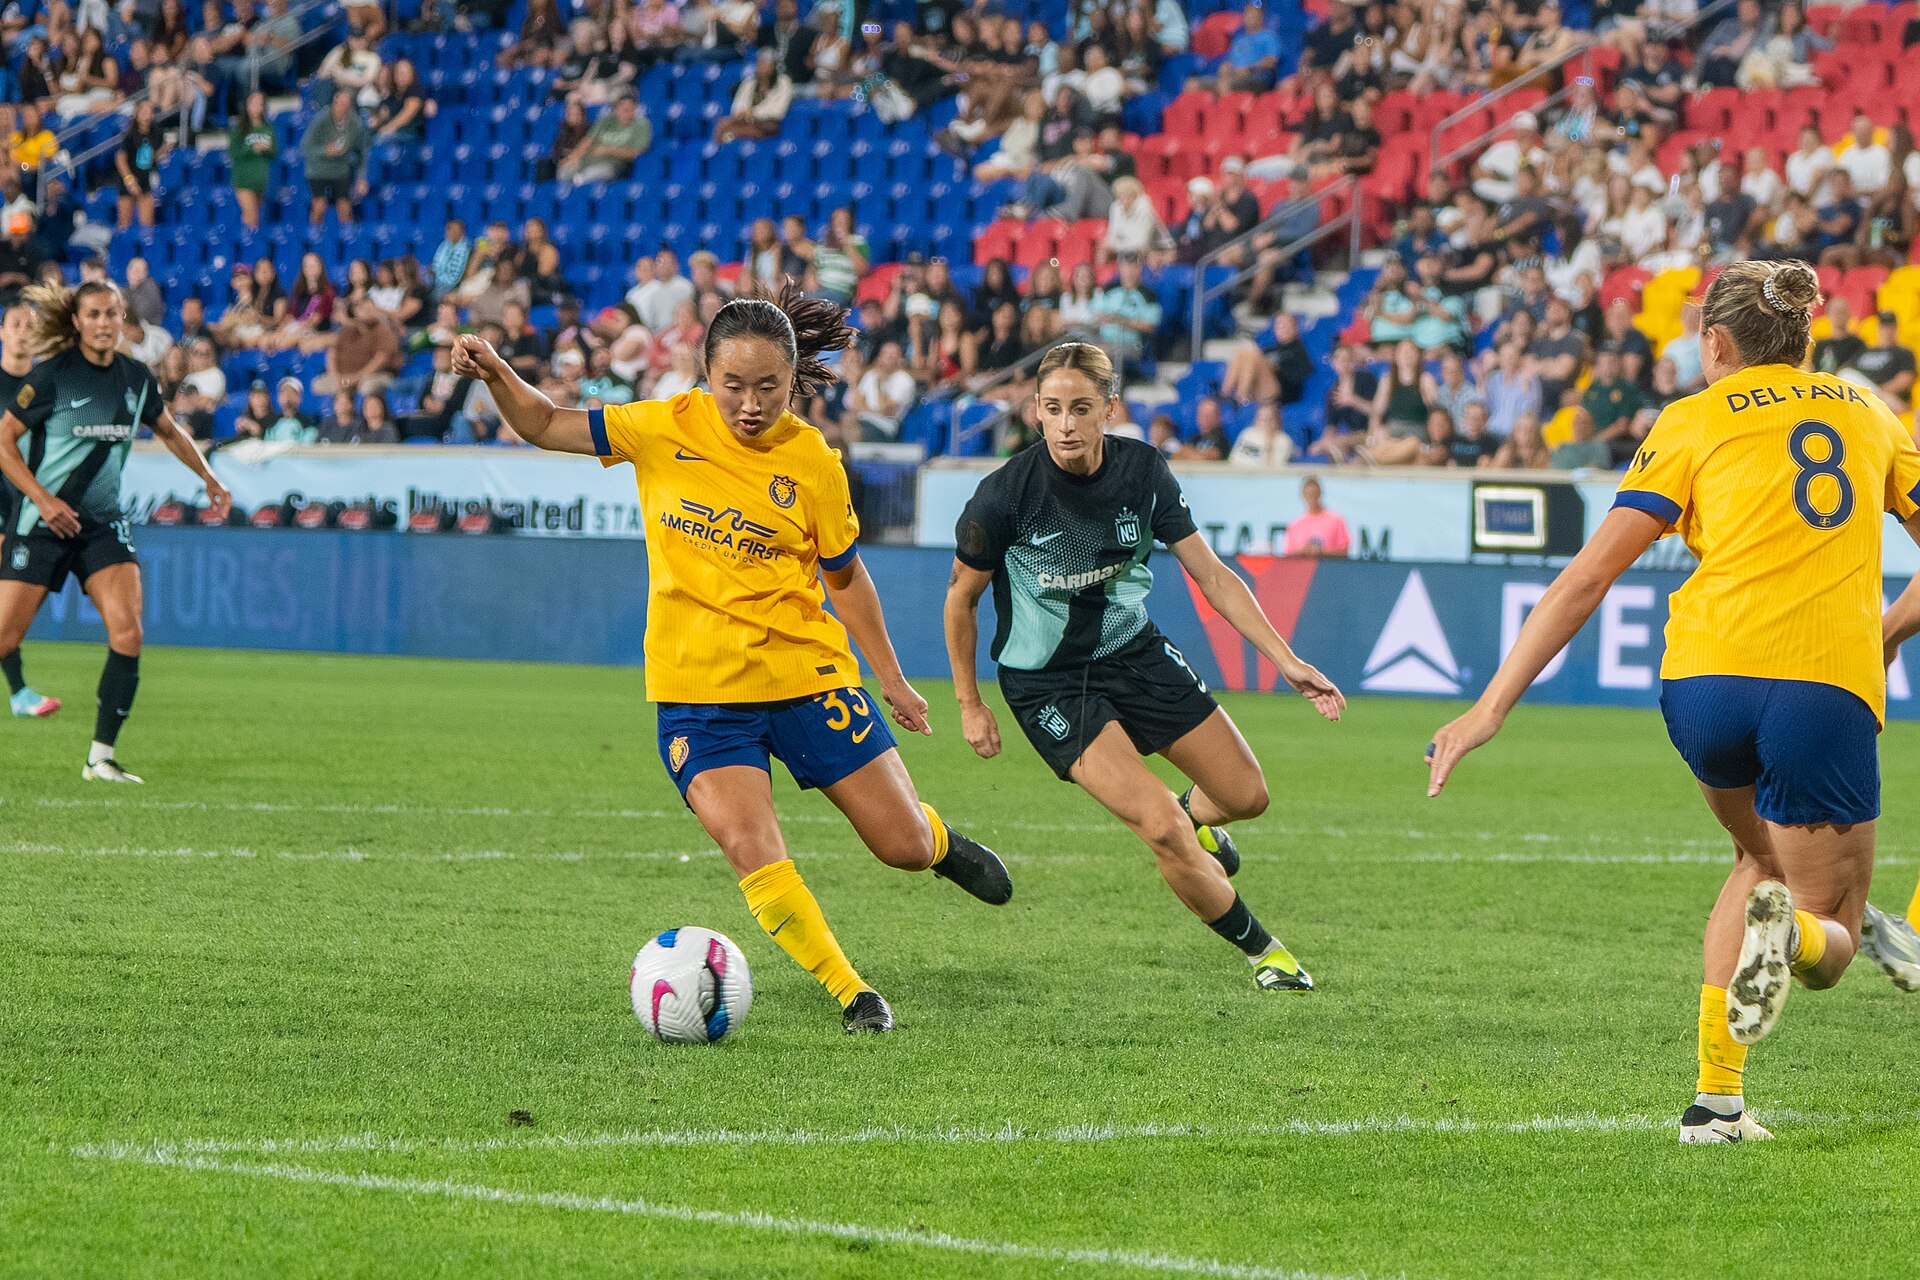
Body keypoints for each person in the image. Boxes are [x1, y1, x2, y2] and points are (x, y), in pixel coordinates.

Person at [1425, 261, 1920, 1144]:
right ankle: (1795, 943)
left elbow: (1589, 577)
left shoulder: (1689, 420)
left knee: (1755, 862)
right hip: (1822, 683)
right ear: (1805, 341)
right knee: (1830, 933)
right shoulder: (1869, 411)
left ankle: (1716, 1103)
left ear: (1715, 344)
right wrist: (1886, 630)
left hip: (1702, 686)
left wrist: (1489, 707)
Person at [449, 281, 1013, 1034]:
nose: (750, 404)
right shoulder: (659, 426)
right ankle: (853, 993)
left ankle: (937, 841)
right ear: (705, 375)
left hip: (805, 676)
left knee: (899, 845)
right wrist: (496, 374)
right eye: (733, 386)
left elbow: (845, 579)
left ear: (792, 381)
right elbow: (545, 422)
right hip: (698, 692)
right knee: (751, 844)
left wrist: (892, 679)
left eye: (768, 387)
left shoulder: (812, 461)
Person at [944, 342, 1342, 994]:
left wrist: (1287, 660)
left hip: (1134, 652)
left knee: (1246, 797)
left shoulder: (1144, 472)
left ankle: (1194, 819)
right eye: (1052, 409)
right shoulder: (1003, 498)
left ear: (1109, 408)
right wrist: (969, 703)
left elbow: (1212, 574)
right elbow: (959, 601)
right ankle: (1266, 954)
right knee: (1159, 827)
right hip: (1049, 683)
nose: (1066, 424)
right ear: (1035, 414)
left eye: (1080, 408)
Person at [0, 282, 232, 776]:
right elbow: (4, 443)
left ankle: (100, 758)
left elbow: (169, 429)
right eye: (94, 314)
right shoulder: (51, 378)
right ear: (78, 322)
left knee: (128, 632)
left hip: (102, 525)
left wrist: (208, 477)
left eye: (112, 314)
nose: (104, 323)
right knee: (4, 638)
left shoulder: (136, 377)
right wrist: (41, 500)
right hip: (41, 524)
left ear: (123, 319)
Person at [300, 89, 368, 225]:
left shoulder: (355, 124)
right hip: (318, 171)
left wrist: (361, 178)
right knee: (319, 206)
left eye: (347, 104)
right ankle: (314, 241)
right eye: (340, 103)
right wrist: (325, 151)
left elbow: (361, 153)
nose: (344, 107)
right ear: (334, 103)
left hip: (340, 171)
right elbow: (305, 147)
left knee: (345, 207)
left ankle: (348, 240)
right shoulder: (321, 120)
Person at [1282, 476, 1350, 558]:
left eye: (1314, 493)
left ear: (1320, 493)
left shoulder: (1336, 520)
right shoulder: (1295, 525)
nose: (1312, 497)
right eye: (1309, 494)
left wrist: (1322, 553)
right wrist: (1303, 551)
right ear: (1303, 495)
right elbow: (1287, 557)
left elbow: (1344, 552)